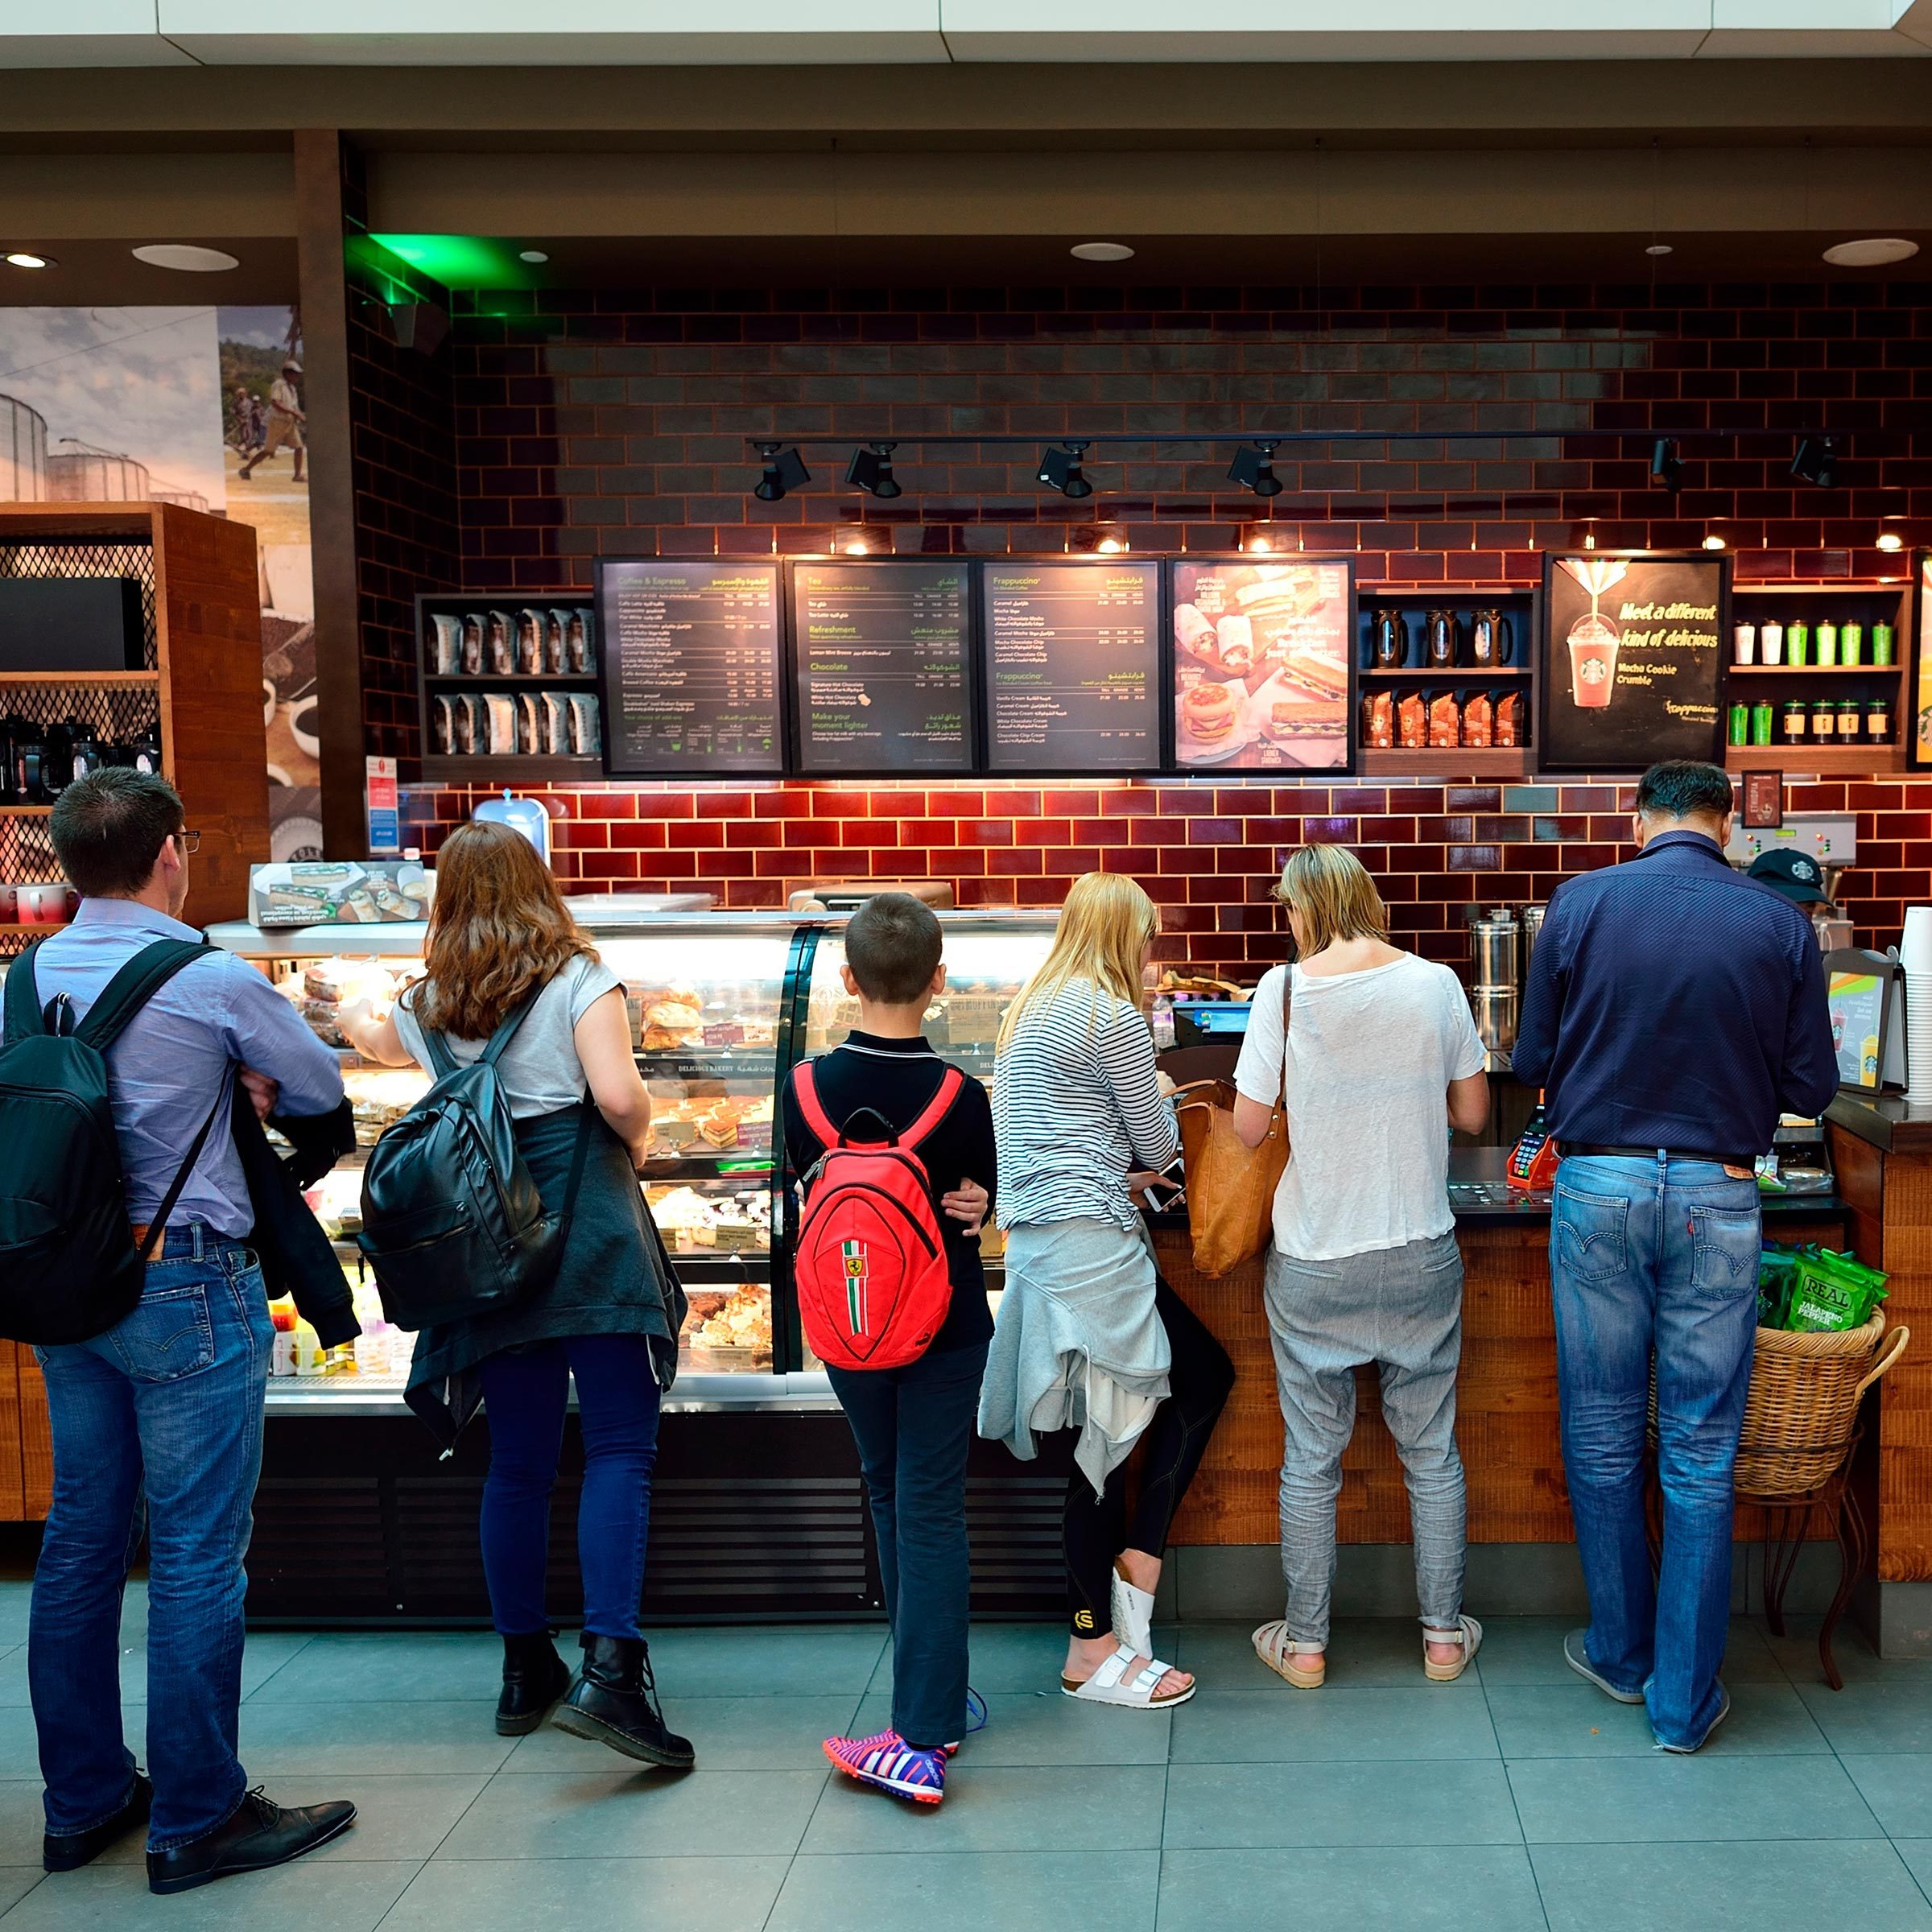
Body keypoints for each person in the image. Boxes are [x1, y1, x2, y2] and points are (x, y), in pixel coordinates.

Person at [24, 770, 357, 1894]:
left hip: (69, 1289)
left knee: (78, 1545)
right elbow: (316, 1086)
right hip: (185, 1286)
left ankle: (81, 1805)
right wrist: (232, 1086)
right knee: (198, 1555)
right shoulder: (207, 975)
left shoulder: (23, 974)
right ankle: (198, 1819)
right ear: (173, 851)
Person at [339, 820, 691, 1765]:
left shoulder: (427, 1000)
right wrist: (645, 1140)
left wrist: (358, 1009)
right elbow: (618, 1100)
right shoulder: (580, 978)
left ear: (446, 900)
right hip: (584, 1224)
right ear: (539, 885)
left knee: (520, 1462)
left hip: (487, 1241)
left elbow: (372, 1040)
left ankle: (522, 1667)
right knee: (619, 1445)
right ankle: (612, 1673)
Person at [1514, 760, 1838, 1753]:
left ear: (1641, 815)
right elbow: (1814, 1088)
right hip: (1719, 1191)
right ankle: (1684, 1706)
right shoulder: (1780, 925)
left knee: (1605, 1431)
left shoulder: (1578, 905)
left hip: (1600, 1188)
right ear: (1727, 821)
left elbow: (1532, 1061)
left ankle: (1621, 1656)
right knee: (1702, 1449)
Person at [1231, 846, 1491, 1689]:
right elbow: (1475, 1114)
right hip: (1419, 1247)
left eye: (1289, 910)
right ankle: (1444, 1639)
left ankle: (1305, 1647)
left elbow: (1243, 1128)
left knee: (1311, 1458)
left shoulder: (1287, 988)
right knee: (1433, 1452)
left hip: (1315, 1258)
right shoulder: (1436, 983)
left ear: (1307, 907)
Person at [979, 871, 1233, 1709]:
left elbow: (1053, 1128)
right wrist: (1158, 1100)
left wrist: (1107, 1160)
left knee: (1132, 1414)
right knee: (1104, 1445)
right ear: (1128, 938)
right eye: (1147, 938)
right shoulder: (1111, 1013)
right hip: (1090, 1244)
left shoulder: (1029, 1009)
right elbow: (1161, 1147)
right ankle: (1091, 1649)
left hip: (1041, 1243)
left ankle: (1126, 1583)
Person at [781, 894, 997, 1806]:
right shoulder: (962, 1097)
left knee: (886, 1491)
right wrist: (975, 1210)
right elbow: (973, 1213)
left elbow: (812, 1196)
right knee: (932, 1507)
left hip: (846, 1324)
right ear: (939, 984)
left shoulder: (799, 1090)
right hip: (945, 1328)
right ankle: (928, 1714)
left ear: (844, 979)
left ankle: (925, 1708)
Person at [237, 361, 304, 482]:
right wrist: (294, 412)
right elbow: (275, 403)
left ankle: (297, 475)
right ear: (287, 373)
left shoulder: (293, 389)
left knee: (299, 447)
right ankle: (246, 469)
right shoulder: (279, 385)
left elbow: (294, 406)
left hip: (290, 422)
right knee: (269, 450)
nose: (297, 377)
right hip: (277, 421)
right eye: (295, 374)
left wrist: (299, 414)